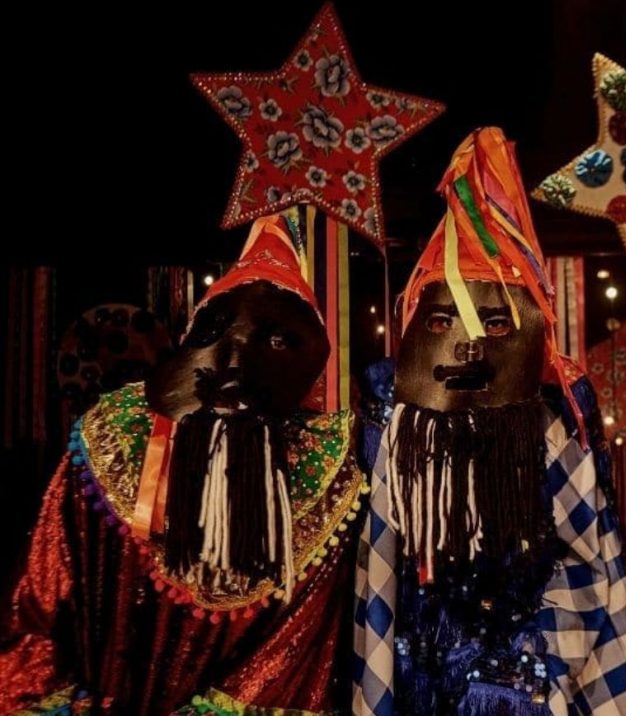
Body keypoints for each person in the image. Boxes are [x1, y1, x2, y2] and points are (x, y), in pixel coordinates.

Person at [0, 216, 367, 714]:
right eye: (219, 334)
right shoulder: (113, 438)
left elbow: (288, 663)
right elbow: (43, 610)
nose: (234, 367)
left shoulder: (325, 473)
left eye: (277, 342)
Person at [354, 127, 626, 715]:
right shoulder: (400, 433)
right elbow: (377, 571)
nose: (468, 347)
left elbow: (589, 560)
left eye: (498, 324)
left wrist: (533, 664)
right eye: (442, 323)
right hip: (421, 682)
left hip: (522, 689)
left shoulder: (550, 431)